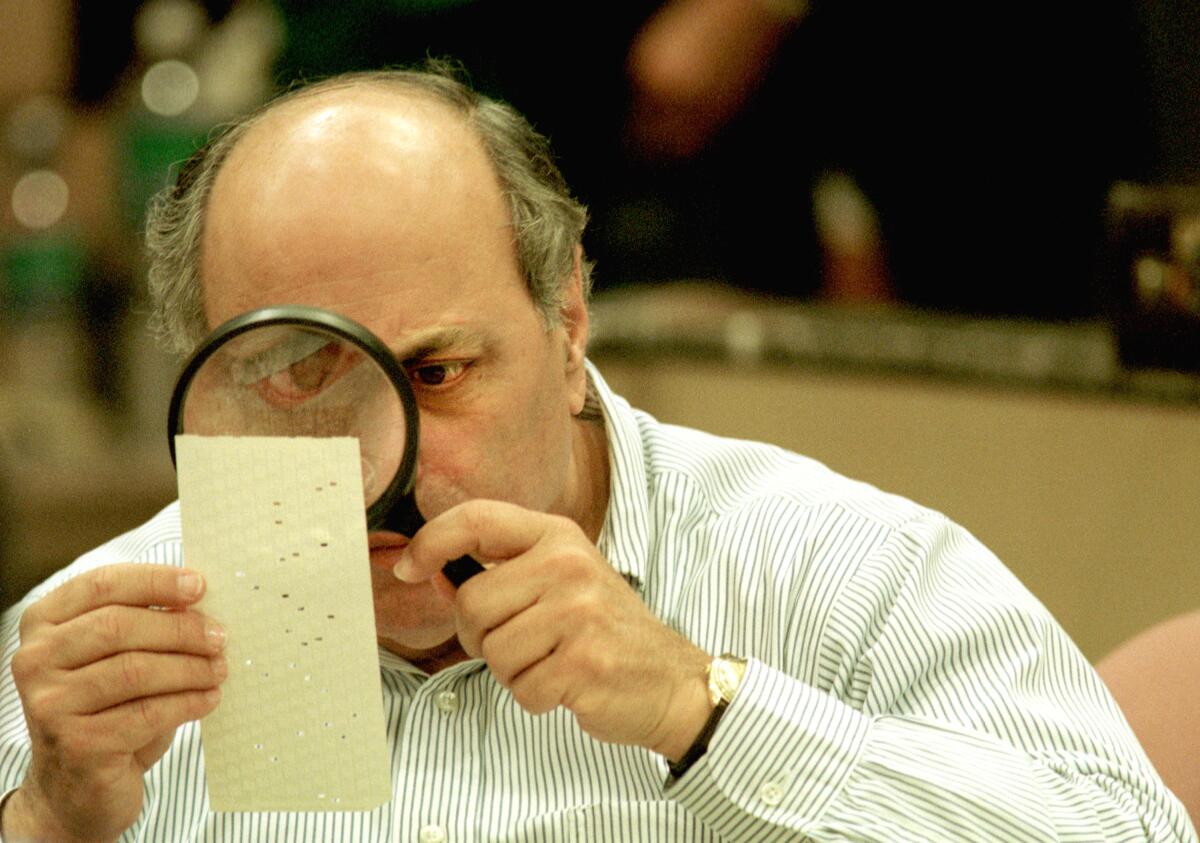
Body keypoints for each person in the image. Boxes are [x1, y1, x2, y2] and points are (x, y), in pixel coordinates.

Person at [0, 65, 1193, 842]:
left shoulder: (837, 574)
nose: (376, 468)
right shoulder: (84, 661)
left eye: (433, 376)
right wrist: (50, 817)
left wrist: (703, 706)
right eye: (298, 382)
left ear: (567, 327)